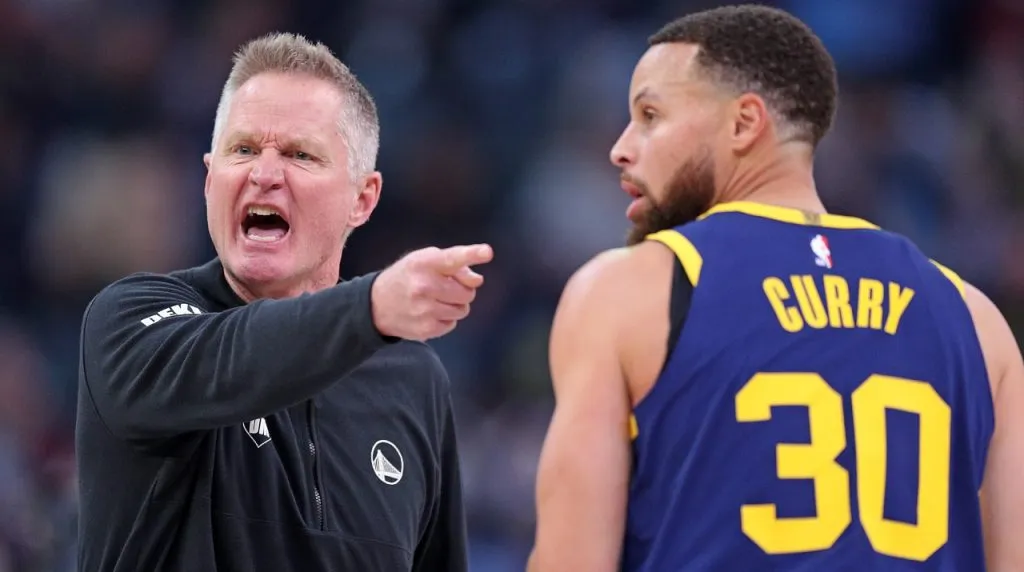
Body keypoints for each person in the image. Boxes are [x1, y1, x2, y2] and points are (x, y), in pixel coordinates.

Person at [528, 5, 1024, 572]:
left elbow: (571, 561)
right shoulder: (975, 319)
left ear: (744, 123)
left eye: (650, 115)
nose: (621, 147)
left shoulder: (625, 293)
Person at [75, 32, 489, 572]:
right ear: (209, 180)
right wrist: (370, 307)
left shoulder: (413, 379)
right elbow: (227, 359)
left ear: (363, 199)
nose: (264, 175)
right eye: (243, 150)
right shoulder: (128, 321)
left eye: (300, 154)